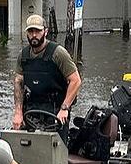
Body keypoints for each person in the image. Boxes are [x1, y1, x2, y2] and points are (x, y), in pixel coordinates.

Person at [12, 14, 82, 144]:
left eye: (37, 31)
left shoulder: (58, 53)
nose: (34, 35)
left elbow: (76, 80)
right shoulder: (23, 56)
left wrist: (65, 108)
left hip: (56, 110)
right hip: (32, 109)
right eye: (30, 31)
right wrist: (18, 112)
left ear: (45, 31)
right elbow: (18, 82)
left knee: (57, 150)